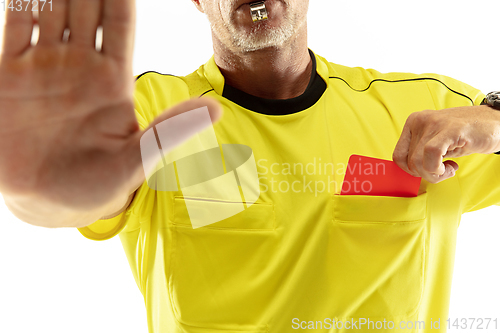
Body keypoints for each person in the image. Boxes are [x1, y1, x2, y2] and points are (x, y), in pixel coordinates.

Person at [0, 0, 499, 332]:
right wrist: (42, 190)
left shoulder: (425, 111)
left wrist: (496, 120)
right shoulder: (149, 111)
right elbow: (67, 194)